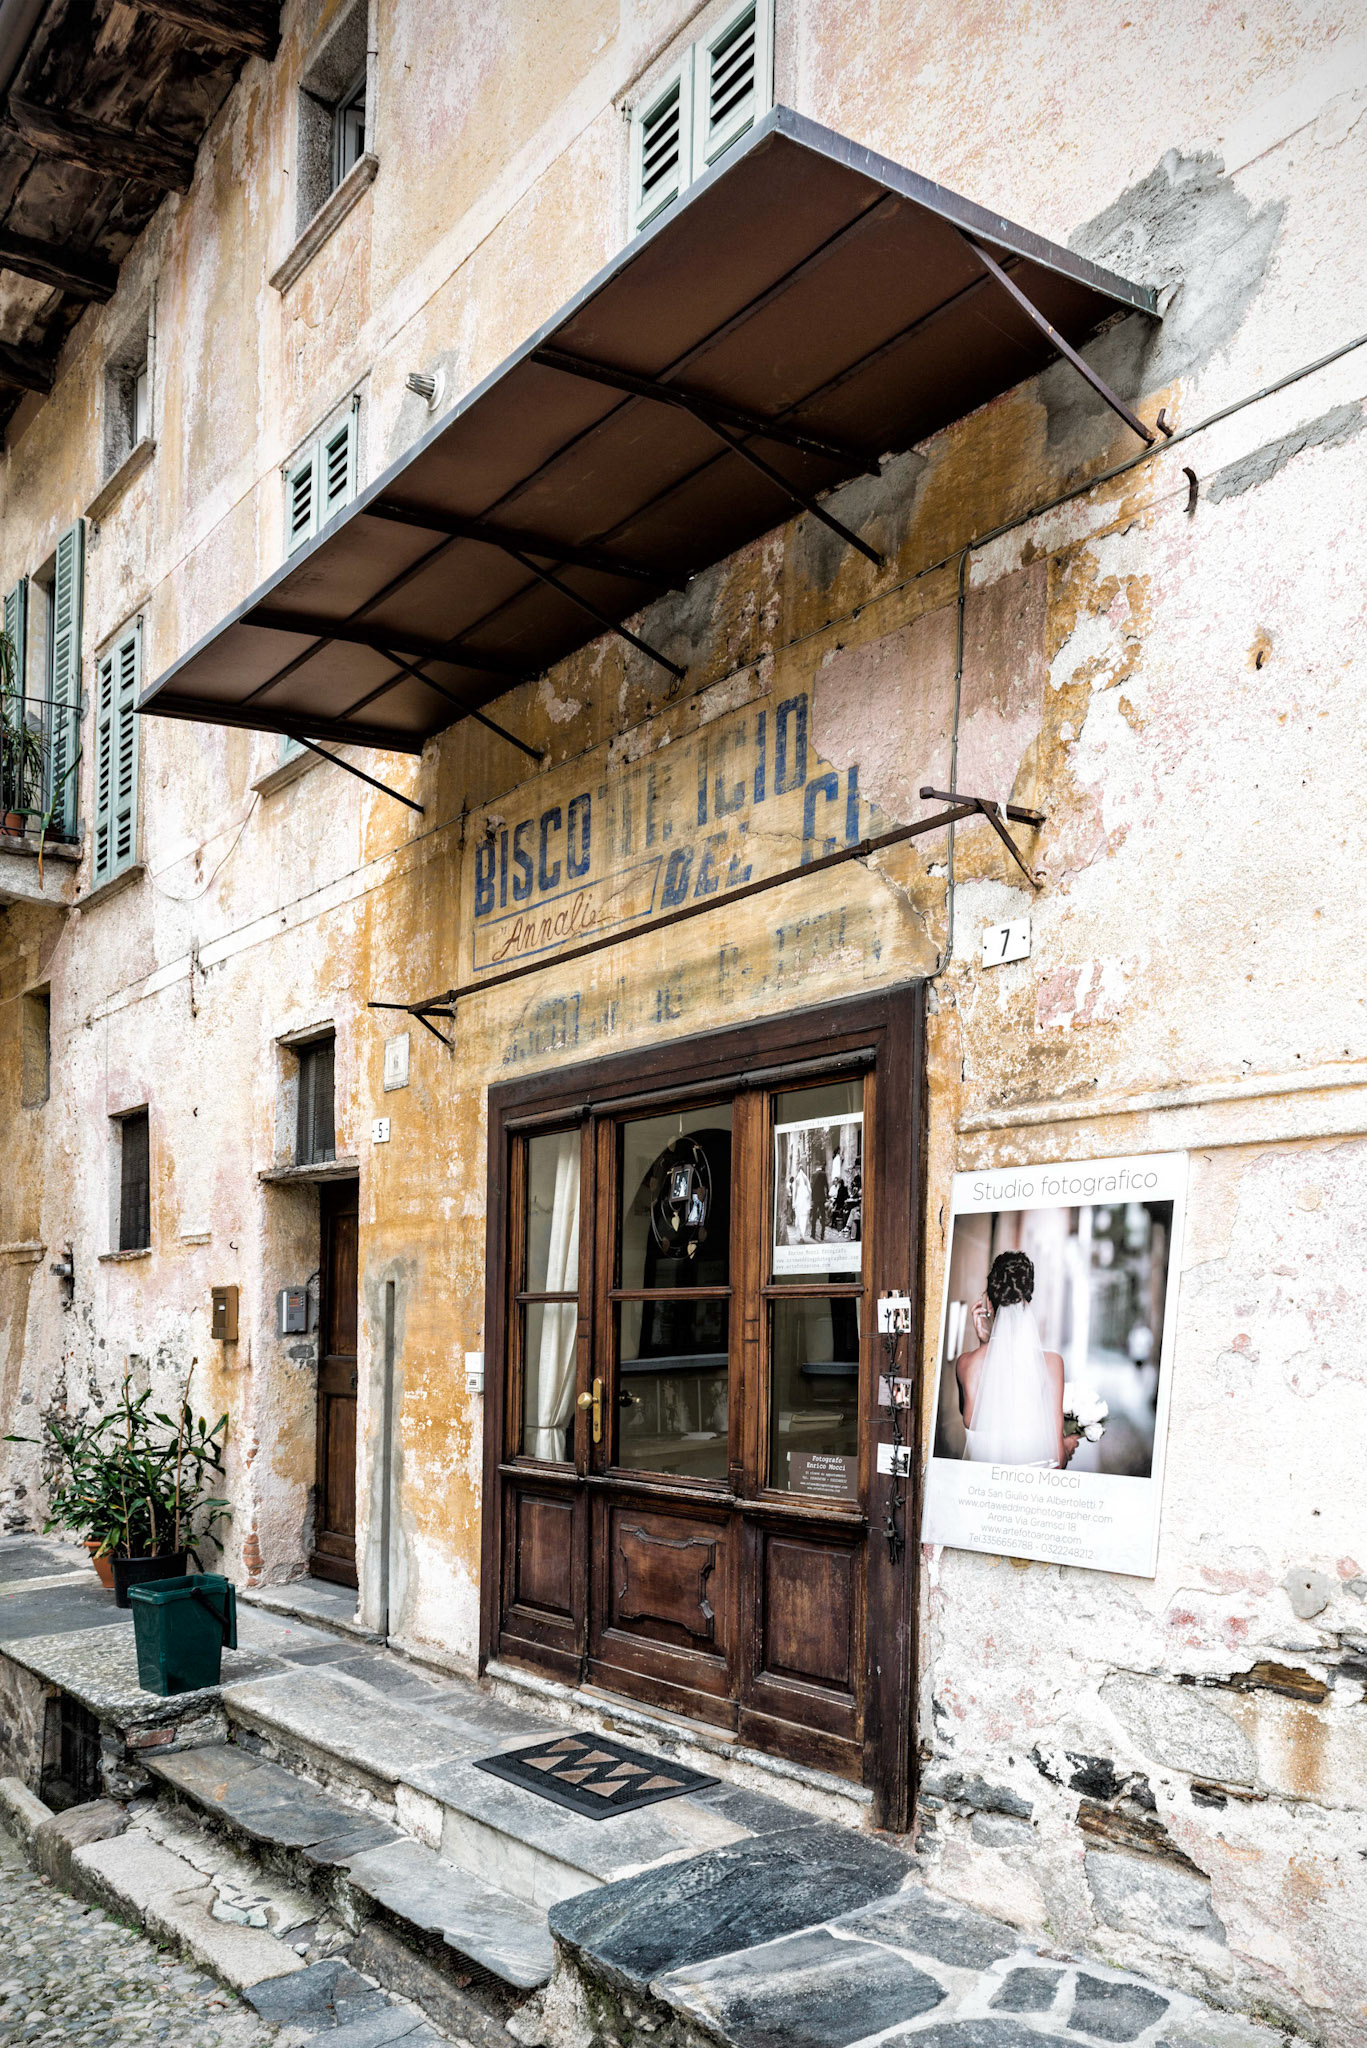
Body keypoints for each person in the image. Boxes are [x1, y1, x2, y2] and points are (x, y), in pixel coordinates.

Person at [955, 1250, 1079, 1467]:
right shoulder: (1051, 1365)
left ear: (989, 1306)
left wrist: (984, 1345)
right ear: (1027, 1304)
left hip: (976, 1495)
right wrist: (1069, 1444)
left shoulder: (965, 1365)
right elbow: (1057, 1462)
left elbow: (985, 1420)